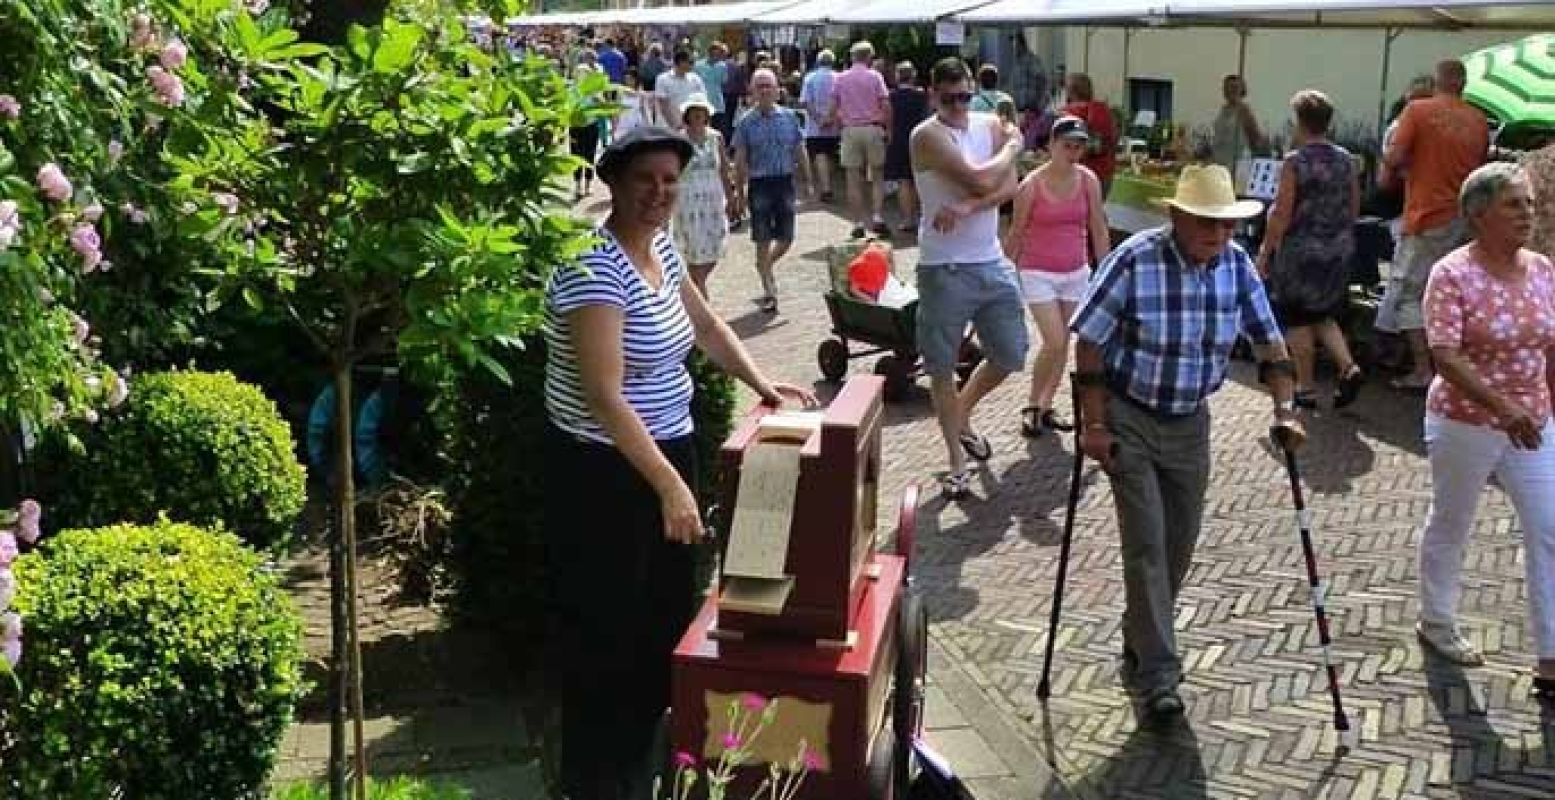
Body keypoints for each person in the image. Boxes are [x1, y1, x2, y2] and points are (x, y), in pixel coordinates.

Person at [543, 126, 817, 800]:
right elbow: (605, 398)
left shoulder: (660, 246)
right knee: (606, 621)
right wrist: (669, 487)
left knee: (664, 612)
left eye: (670, 180)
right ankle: (593, 776)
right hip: (605, 469)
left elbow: (707, 326)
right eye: (645, 180)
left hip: (667, 448)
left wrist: (764, 386)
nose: (659, 193)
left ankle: (644, 753)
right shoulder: (591, 264)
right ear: (612, 183)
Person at [1070, 163, 1303, 722]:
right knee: (1147, 545)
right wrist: (1095, 424)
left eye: (1226, 226)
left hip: (1190, 423)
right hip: (1130, 414)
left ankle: (1140, 634)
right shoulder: (1135, 259)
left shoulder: (1237, 266)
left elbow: (1271, 343)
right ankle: (1160, 675)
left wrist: (1286, 410)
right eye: (1206, 224)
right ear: (1175, 216)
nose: (1219, 236)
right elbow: (1090, 343)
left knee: (1178, 547)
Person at [1415, 162, 1555, 697]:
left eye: (1529, 203)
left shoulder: (1542, 268)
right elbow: (1446, 356)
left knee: (1548, 529)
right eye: (1513, 204)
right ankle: (1438, 620)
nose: (1527, 213)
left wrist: (1543, 407)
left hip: (1534, 423)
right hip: (1464, 423)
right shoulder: (1451, 274)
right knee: (1453, 520)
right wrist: (1501, 407)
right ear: (1477, 215)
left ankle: (1550, 659)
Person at [909, 57, 1028, 499]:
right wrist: (1013, 146)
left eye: (964, 96)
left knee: (1011, 352)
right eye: (949, 98)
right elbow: (982, 178)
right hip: (944, 267)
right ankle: (956, 461)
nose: (959, 106)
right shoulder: (927, 136)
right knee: (941, 366)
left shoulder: (988, 125)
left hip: (990, 259)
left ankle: (959, 417)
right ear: (933, 95)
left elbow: (1008, 188)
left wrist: (968, 207)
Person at [1378, 59, 1488, 390]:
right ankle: (1454, 370)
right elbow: (1480, 167)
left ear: (1438, 82)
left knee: (1412, 295)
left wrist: (1408, 161)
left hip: (1426, 215)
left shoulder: (1417, 111)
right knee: (1453, 297)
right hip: (1465, 219)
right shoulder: (1478, 120)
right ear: (1463, 84)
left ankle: (1425, 370)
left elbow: (1393, 159)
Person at [1255, 89, 1365, 411]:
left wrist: (1264, 252)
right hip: (1337, 247)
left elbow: (1281, 212)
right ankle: (1348, 366)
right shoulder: (1347, 160)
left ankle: (1305, 387)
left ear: (1299, 122)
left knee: (1297, 319)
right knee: (1323, 313)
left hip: (1301, 250)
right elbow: (1354, 206)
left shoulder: (1295, 161)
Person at [1003, 116, 1111, 437]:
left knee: (1065, 343)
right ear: (1051, 145)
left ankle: (1047, 404)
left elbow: (1098, 227)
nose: (1073, 152)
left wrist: (1106, 269)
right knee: (1054, 339)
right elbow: (1016, 233)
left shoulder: (1088, 180)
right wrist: (1002, 273)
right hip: (1037, 271)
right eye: (1067, 146)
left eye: (1078, 147)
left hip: (1076, 271)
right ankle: (1033, 404)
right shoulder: (1031, 186)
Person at [731, 68, 813, 314]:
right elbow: (741, 158)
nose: (765, 90)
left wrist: (808, 180)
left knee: (787, 238)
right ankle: (769, 289)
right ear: (753, 91)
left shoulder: (790, 117)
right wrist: (740, 191)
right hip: (760, 185)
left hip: (785, 182)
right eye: (760, 86)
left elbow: (800, 149)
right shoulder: (745, 122)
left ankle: (764, 265)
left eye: (769, 85)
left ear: (778, 89)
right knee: (763, 237)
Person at [672, 94, 734, 296]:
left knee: (715, 246)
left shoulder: (716, 137)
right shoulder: (679, 139)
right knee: (693, 249)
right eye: (694, 113)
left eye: (702, 113)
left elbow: (724, 169)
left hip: (713, 201)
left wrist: (731, 197)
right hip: (688, 201)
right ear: (687, 115)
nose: (698, 116)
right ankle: (700, 294)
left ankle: (695, 285)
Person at [831, 40, 892, 239]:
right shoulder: (875, 77)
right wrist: (888, 127)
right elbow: (885, 104)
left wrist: (838, 121)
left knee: (852, 178)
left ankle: (857, 221)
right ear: (869, 57)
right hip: (872, 127)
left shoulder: (840, 78)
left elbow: (833, 105)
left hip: (850, 129)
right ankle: (877, 216)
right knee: (877, 175)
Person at [886, 61, 930, 234]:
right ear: (913, 76)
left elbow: (889, 118)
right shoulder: (921, 95)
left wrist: (889, 135)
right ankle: (921, 217)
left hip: (899, 139)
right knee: (919, 180)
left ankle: (907, 219)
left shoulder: (892, 96)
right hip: (919, 140)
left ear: (898, 76)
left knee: (903, 181)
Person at [1062, 73, 1118, 198]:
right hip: (1105, 174)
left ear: (1071, 91)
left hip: (1080, 174)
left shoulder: (1069, 113)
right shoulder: (1104, 110)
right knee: (1096, 212)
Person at [799, 49, 841, 203]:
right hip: (835, 124)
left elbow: (804, 101)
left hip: (815, 127)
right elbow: (841, 100)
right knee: (831, 154)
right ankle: (827, 184)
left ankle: (826, 187)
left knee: (820, 154)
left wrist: (818, 118)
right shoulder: (839, 77)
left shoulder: (810, 78)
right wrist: (830, 117)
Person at [1210, 74, 1267, 176]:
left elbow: (1256, 139)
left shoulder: (1244, 110)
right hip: (1220, 164)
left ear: (1241, 90)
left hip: (1238, 165)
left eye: (1234, 88)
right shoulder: (1223, 111)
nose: (1230, 91)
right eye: (1226, 88)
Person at [569, 51, 602, 199]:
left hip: (591, 126)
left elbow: (603, 104)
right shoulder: (571, 90)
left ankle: (587, 185)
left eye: (585, 74)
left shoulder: (593, 91)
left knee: (590, 156)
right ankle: (577, 186)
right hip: (575, 127)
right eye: (579, 73)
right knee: (575, 157)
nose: (582, 76)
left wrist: (598, 98)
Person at [655, 49, 706, 132]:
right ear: (681, 62)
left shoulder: (696, 79)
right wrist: (676, 125)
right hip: (667, 126)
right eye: (690, 62)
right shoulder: (662, 79)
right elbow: (663, 105)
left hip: (691, 127)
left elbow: (702, 102)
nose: (692, 65)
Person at [694, 42, 730, 141]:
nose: (717, 57)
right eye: (715, 54)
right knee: (703, 125)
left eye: (719, 55)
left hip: (717, 101)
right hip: (702, 100)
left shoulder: (722, 66)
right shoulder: (698, 65)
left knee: (717, 128)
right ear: (709, 53)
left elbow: (724, 81)